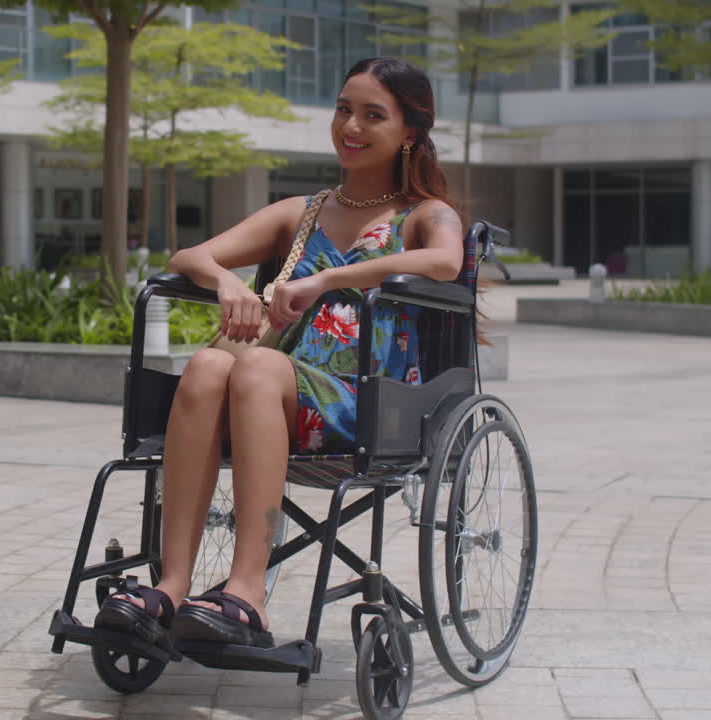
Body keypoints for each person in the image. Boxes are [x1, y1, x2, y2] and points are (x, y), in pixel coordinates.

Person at [94, 57, 465, 649]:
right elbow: (187, 257)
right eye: (344, 109)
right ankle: (172, 584)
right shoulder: (303, 212)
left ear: (410, 132)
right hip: (267, 392)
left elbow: (446, 262)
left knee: (257, 365)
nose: (351, 126)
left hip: (363, 400)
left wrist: (328, 281)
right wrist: (228, 284)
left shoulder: (424, 214)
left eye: (373, 115)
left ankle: (248, 591)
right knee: (210, 362)